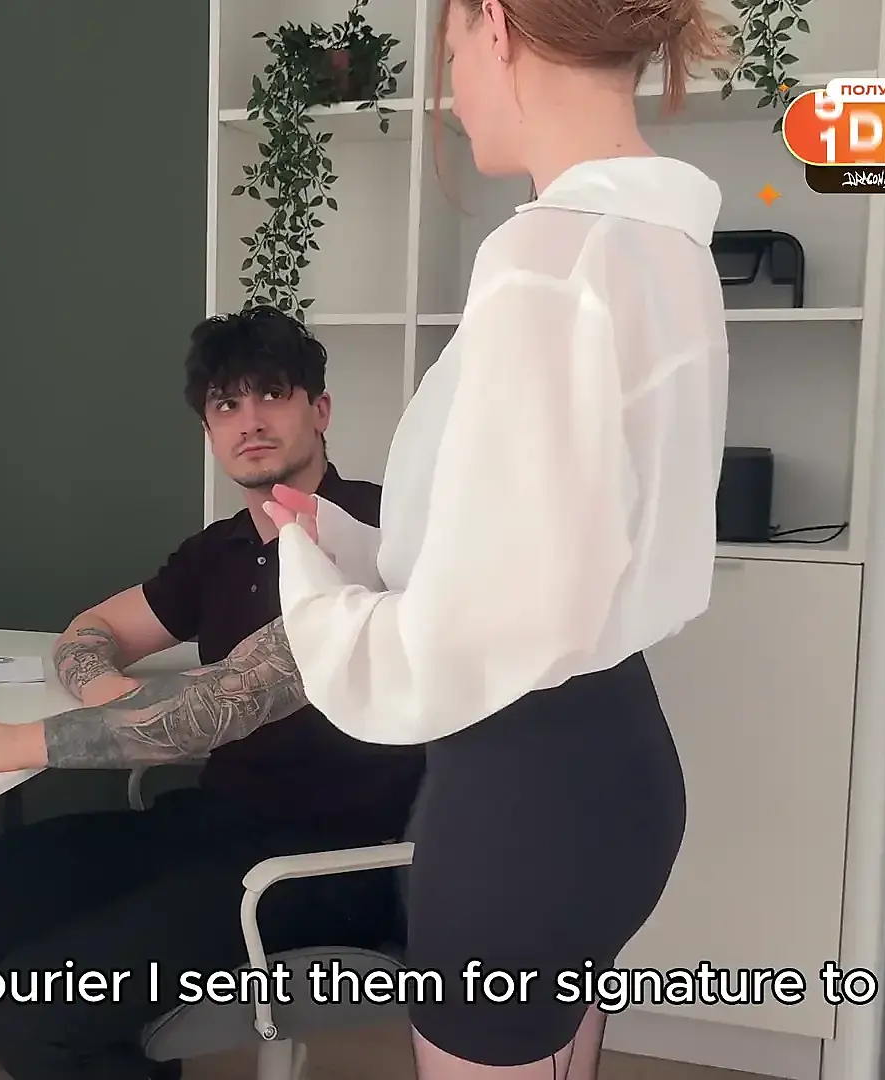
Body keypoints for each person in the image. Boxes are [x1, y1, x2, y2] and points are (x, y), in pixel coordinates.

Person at [253, 1, 733, 1078]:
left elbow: (482, 625)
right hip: (619, 767)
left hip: (520, 796)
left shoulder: (545, 258)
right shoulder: (668, 244)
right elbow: (562, 538)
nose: (453, 89)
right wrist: (349, 542)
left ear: (497, 27)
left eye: (453, 50)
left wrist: (314, 583)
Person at [0, 307, 426, 1080]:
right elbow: (89, 631)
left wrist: (19, 742)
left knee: (38, 1015)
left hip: (327, 865)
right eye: (226, 404)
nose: (250, 421)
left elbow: (223, 704)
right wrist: (114, 694)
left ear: (319, 410)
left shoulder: (378, 538)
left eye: (272, 394)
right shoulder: (217, 553)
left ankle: (62, 1030)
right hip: (206, 825)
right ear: (208, 431)